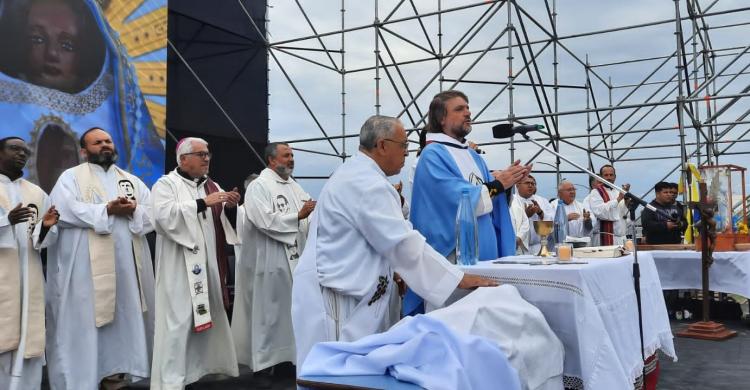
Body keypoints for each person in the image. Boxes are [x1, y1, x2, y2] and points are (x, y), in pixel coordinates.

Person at [291, 115, 498, 368]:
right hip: (337, 296)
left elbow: (377, 237)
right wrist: (456, 278)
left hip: (350, 286)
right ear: (382, 145)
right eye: (404, 146)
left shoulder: (358, 174)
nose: (407, 153)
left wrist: (396, 270)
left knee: (355, 369)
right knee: (338, 370)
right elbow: (401, 241)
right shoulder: (366, 183)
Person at [46, 128, 155, 389]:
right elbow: (64, 211)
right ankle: (82, 378)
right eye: (97, 142)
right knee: (84, 321)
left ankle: (115, 375)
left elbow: (152, 215)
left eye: (108, 140)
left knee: (122, 318)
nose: (105, 145)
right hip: (84, 268)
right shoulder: (70, 177)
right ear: (84, 151)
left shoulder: (130, 180)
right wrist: (106, 209)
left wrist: (134, 210)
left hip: (125, 268)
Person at [407, 90, 528, 315]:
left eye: (468, 107)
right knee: (456, 323)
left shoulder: (474, 157)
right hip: (454, 258)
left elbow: (490, 196)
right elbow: (455, 200)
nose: (468, 113)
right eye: (459, 109)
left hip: (486, 253)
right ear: (441, 118)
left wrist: (508, 183)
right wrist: (497, 185)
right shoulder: (432, 155)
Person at [150, 137, 241, 389]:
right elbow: (162, 217)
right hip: (178, 265)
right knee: (178, 321)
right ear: (183, 159)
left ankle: (199, 370)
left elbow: (223, 224)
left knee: (206, 316)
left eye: (208, 154)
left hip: (208, 264)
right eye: (201, 154)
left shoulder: (212, 186)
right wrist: (202, 203)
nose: (207, 158)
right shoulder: (166, 184)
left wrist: (231, 208)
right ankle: (172, 380)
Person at [232, 143, 315, 376]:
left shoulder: (295, 187)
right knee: (268, 316)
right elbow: (262, 219)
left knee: (290, 315)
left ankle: (288, 361)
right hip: (268, 261)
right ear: (271, 160)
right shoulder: (259, 186)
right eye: (286, 155)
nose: (291, 159)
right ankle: (264, 368)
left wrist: (311, 216)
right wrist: (297, 216)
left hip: (294, 262)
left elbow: (309, 216)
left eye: (292, 155)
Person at [0, 137, 58, 390]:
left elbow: (41, 240)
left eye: (25, 151)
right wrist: (5, 222)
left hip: (29, 274)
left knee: (27, 342)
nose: (22, 154)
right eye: (15, 149)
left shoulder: (36, 193)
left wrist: (45, 229)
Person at [509, 175, 554, 255]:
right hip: (519, 247)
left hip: (538, 247)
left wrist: (540, 213)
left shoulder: (542, 201)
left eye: (533, 184)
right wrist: (525, 215)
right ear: (517, 185)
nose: (530, 185)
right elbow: (509, 221)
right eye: (527, 183)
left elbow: (553, 221)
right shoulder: (511, 201)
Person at [588, 165, 629, 245]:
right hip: (605, 237)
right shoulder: (596, 192)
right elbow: (600, 212)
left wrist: (627, 203)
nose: (609, 178)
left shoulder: (618, 191)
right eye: (606, 175)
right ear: (601, 177)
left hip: (621, 238)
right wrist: (618, 199)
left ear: (615, 177)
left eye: (611, 175)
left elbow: (623, 215)